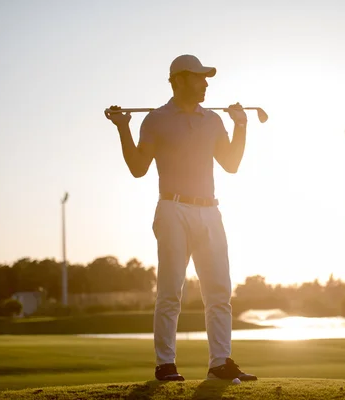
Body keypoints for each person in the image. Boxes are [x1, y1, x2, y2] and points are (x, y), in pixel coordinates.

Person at [105, 54, 257, 382]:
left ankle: (220, 363)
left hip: (210, 210)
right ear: (178, 80)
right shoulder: (156, 120)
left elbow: (231, 164)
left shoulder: (213, 121)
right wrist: (123, 129)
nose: (205, 84)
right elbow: (137, 168)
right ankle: (165, 364)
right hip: (173, 209)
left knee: (219, 291)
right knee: (171, 291)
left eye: (206, 78)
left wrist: (240, 126)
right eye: (199, 77)